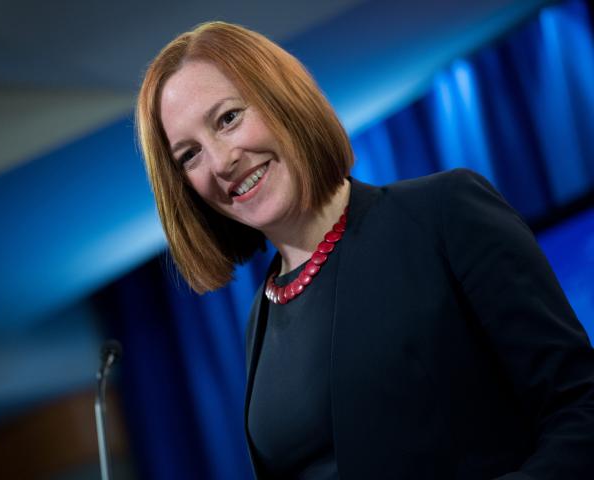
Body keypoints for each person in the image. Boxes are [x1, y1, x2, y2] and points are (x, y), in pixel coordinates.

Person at [136, 21, 594, 479]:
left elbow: (581, 405)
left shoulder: (443, 213)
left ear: (282, 99)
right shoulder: (261, 317)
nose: (221, 162)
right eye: (189, 155)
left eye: (228, 118)